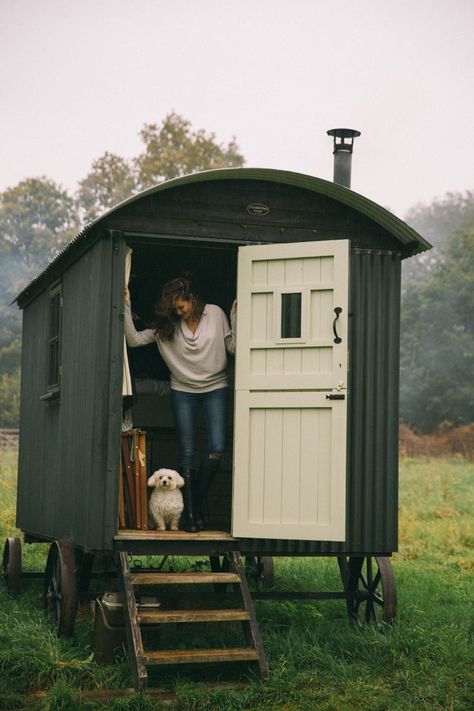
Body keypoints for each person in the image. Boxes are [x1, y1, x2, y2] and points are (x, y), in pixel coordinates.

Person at [124, 276, 236, 532]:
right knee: (186, 452)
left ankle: (193, 494)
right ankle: (192, 515)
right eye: (173, 309)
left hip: (216, 388)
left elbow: (232, 347)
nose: (177, 312)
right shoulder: (168, 326)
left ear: (192, 299)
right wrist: (126, 304)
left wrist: (236, 315)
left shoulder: (216, 314)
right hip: (182, 391)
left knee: (217, 449)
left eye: (180, 306)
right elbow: (134, 340)